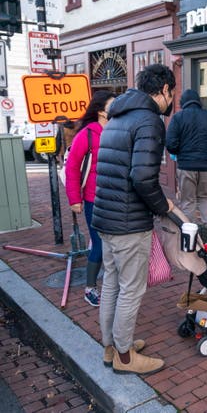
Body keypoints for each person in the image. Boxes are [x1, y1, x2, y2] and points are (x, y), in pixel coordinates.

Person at [92, 64, 176, 375]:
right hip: (128, 221)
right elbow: (143, 177)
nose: (171, 101)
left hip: (106, 216)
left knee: (112, 284)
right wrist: (160, 206)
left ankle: (112, 346)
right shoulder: (150, 120)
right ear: (164, 90)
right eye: (172, 93)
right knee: (131, 288)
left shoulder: (117, 116)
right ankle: (125, 358)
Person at [64, 90, 116, 307]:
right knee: (99, 244)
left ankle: (112, 282)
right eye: (112, 105)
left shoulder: (117, 129)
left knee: (114, 244)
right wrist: (74, 199)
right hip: (94, 199)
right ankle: (90, 288)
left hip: (116, 198)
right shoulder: (87, 133)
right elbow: (72, 167)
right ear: (101, 110)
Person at [166, 89, 207, 238]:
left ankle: (189, 234)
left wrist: (181, 151)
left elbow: (171, 144)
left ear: (183, 103)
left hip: (187, 166)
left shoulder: (178, 118)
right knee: (203, 197)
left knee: (188, 201)